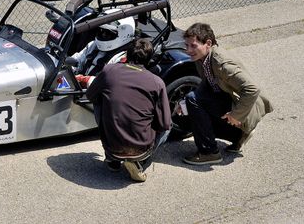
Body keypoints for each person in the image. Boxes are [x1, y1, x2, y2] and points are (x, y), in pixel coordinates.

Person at [181, 23, 273, 165]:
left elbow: (252, 89)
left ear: (208, 43)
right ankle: (238, 136)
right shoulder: (202, 57)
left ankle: (209, 152)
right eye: (186, 46)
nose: (188, 50)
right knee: (192, 103)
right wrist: (182, 104)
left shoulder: (221, 63)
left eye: (193, 46)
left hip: (243, 106)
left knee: (193, 100)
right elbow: (207, 84)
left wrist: (236, 115)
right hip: (227, 98)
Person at [82, 38, 171, 182]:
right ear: (149, 60)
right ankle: (139, 161)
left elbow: (91, 95)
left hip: (112, 145)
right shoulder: (156, 82)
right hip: (140, 148)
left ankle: (112, 160)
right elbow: (164, 124)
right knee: (168, 124)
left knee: (100, 102)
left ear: (126, 55)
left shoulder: (109, 71)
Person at [72, 9, 136, 76]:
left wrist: (87, 80)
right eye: (100, 31)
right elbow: (76, 61)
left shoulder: (121, 58)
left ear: (124, 35)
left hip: (97, 85)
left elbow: (111, 82)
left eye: (107, 33)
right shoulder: (93, 45)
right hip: (77, 83)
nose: (102, 34)